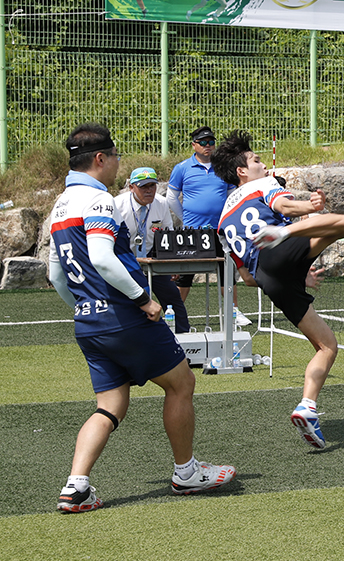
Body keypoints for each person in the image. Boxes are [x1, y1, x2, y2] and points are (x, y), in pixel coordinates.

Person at [48, 123, 236, 513]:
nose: (117, 163)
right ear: (100, 159)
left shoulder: (60, 204)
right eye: (115, 157)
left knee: (110, 405)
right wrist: (142, 299)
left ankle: (76, 486)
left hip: (90, 323)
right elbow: (102, 257)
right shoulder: (98, 201)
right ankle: (186, 473)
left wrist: (85, 308)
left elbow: (55, 275)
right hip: (124, 316)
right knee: (181, 382)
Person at [212, 131, 344, 449]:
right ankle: (282, 235)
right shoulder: (264, 185)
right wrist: (305, 209)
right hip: (278, 245)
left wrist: (297, 272)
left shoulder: (223, 218)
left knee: (327, 345)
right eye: (256, 160)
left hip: (267, 276)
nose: (262, 164)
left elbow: (247, 279)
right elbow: (284, 205)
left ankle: (307, 407)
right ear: (241, 171)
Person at [168, 125, 249, 327]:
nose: (208, 146)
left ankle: (233, 311)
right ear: (194, 145)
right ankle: (175, 313)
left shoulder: (223, 167)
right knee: (185, 273)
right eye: (203, 142)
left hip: (219, 229)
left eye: (211, 142)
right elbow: (171, 198)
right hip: (192, 231)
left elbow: (232, 194)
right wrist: (187, 218)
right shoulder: (182, 168)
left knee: (226, 270)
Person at [113, 166, 190, 333]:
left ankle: (184, 337)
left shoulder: (161, 204)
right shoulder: (117, 205)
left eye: (152, 186)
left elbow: (168, 236)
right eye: (143, 187)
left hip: (150, 258)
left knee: (172, 297)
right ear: (131, 187)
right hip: (123, 259)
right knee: (130, 299)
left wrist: (172, 264)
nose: (149, 191)